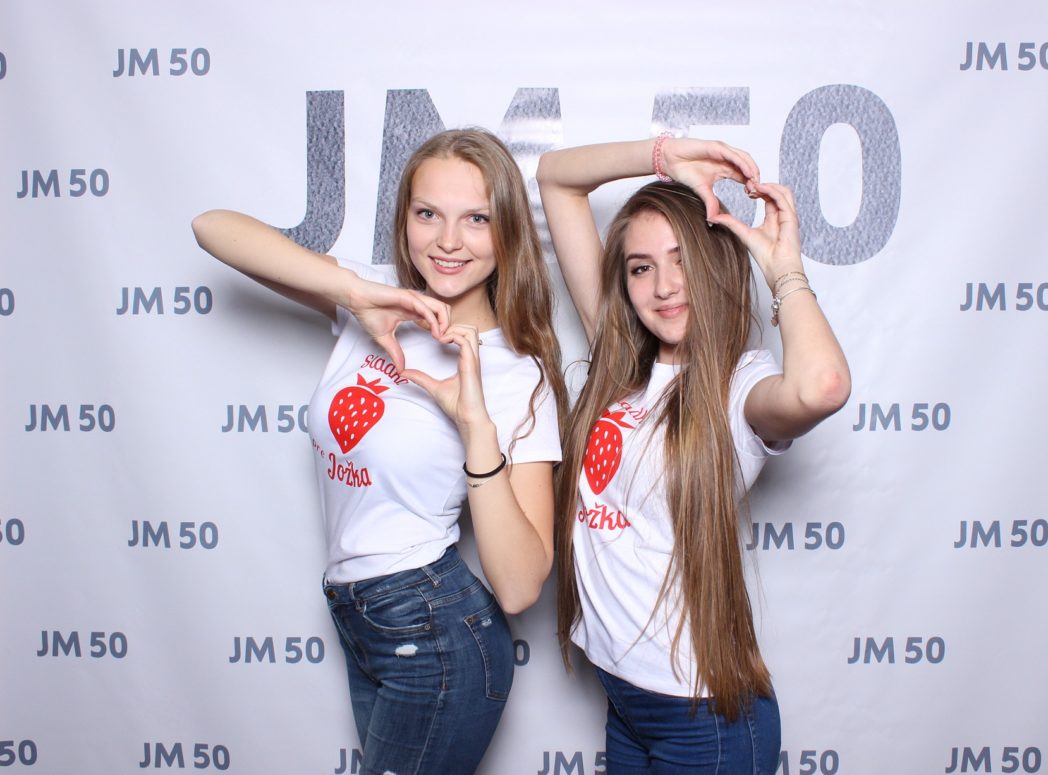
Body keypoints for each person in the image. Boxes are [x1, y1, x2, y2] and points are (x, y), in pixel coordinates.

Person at [193, 128, 566, 775]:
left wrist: (476, 429)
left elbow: (518, 586)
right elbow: (211, 228)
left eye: (476, 219)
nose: (448, 241)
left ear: (508, 229)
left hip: (433, 631)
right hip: (360, 619)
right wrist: (356, 294)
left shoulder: (517, 372)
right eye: (428, 214)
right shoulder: (373, 299)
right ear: (404, 219)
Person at [537, 135, 850, 773]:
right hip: (627, 701)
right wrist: (665, 157)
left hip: (705, 721)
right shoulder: (619, 361)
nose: (663, 286)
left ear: (712, 262)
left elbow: (822, 387)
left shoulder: (737, 386)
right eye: (641, 267)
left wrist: (784, 271)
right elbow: (556, 179)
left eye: (682, 259)